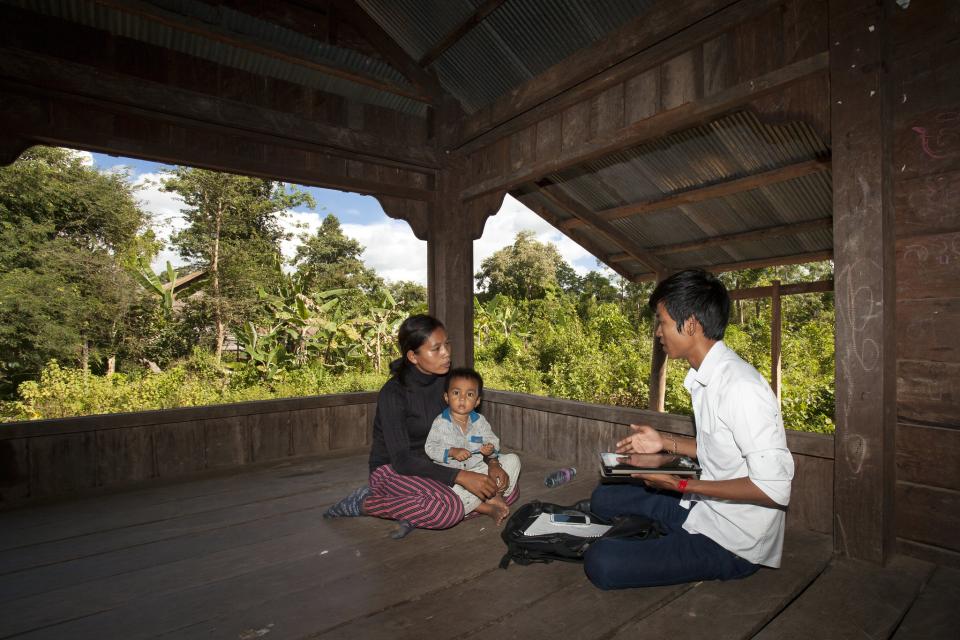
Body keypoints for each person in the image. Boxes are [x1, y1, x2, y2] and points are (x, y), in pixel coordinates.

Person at [584, 269, 794, 589]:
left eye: (662, 321)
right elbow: (718, 448)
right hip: (701, 508)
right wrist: (663, 441)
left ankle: (659, 538)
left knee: (601, 563)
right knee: (604, 497)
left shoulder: (741, 387)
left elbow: (773, 488)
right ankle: (656, 531)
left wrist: (680, 485)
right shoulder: (706, 377)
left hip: (733, 542)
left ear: (691, 324)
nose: (658, 332)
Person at [324, 314, 520, 539]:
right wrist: (461, 477)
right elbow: (402, 461)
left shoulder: (446, 382)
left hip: (438, 463)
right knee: (448, 510)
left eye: (447, 344)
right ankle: (365, 503)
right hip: (393, 470)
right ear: (413, 356)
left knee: (508, 487)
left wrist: (493, 462)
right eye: (436, 348)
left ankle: (419, 508)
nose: (446, 353)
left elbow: (474, 431)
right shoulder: (393, 394)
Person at [424, 367, 521, 525]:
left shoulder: (479, 421)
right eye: (456, 393)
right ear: (446, 397)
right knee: (448, 494)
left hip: (479, 469)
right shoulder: (440, 422)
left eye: (469, 394)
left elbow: (492, 440)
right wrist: (451, 451)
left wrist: (490, 450)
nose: (462, 399)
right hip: (454, 475)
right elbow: (430, 448)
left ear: (477, 401)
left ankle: (495, 495)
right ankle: (487, 508)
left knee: (513, 460)